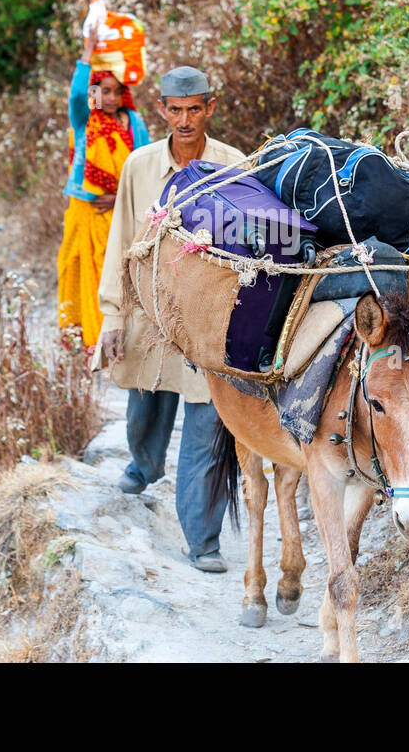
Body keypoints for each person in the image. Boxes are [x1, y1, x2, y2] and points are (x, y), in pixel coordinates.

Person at [96, 66, 245, 573]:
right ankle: (144, 464)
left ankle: (203, 541)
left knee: (207, 429)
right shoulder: (139, 166)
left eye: (195, 109)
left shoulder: (234, 165)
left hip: (208, 320)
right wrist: (112, 315)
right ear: (161, 110)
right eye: (175, 110)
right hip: (150, 309)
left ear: (210, 108)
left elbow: (251, 245)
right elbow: (121, 240)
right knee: (145, 410)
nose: (185, 120)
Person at [57, 25, 150, 349]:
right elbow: (77, 95)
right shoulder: (84, 119)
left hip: (120, 212)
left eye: (116, 91)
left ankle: (123, 341)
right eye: (103, 90)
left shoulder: (134, 123)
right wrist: (88, 52)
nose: (110, 98)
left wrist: (118, 199)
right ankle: (90, 342)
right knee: (84, 272)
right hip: (85, 211)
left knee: (120, 275)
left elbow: (145, 168)